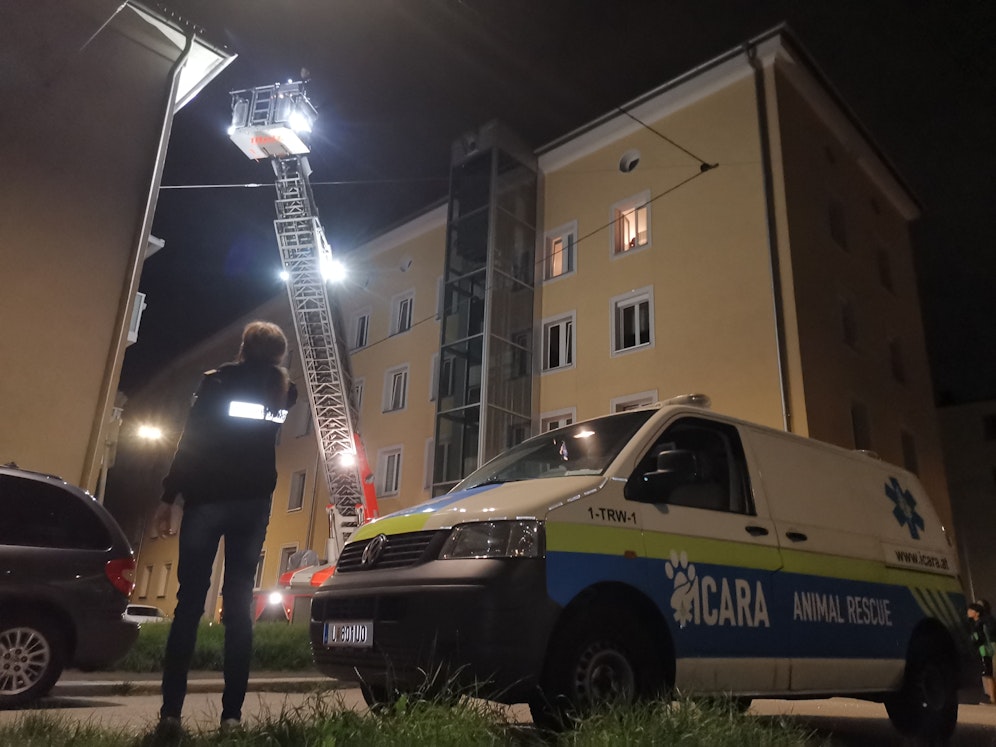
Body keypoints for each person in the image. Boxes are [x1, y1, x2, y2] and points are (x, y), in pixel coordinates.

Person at [151, 321, 297, 734]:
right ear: (279, 355)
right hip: (253, 505)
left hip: (208, 500)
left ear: (243, 348)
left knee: (188, 607)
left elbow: (192, 438)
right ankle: (231, 718)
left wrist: (169, 496)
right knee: (238, 609)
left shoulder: (216, 382)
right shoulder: (284, 391)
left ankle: (171, 715)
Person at [967, 599, 996, 705]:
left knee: (990, 672)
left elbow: (988, 636)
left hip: (990, 649)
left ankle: (992, 697)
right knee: (987, 673)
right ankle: (990, 696)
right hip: (983, 650)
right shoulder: (975, 622)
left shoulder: (987, 620)